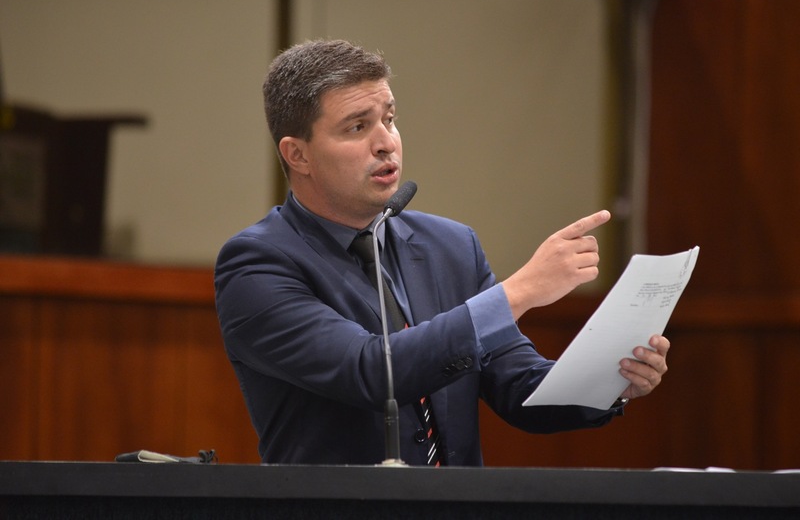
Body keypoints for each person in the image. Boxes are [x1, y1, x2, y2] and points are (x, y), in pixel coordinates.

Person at [214, 39, 669, 466]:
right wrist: (520, 292)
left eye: (389, 119)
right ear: (298, 155)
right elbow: (368, 371)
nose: (386, 142)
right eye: (357, 127)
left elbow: (520, 389)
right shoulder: (257, 264)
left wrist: (608, 379)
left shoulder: (451, 247)